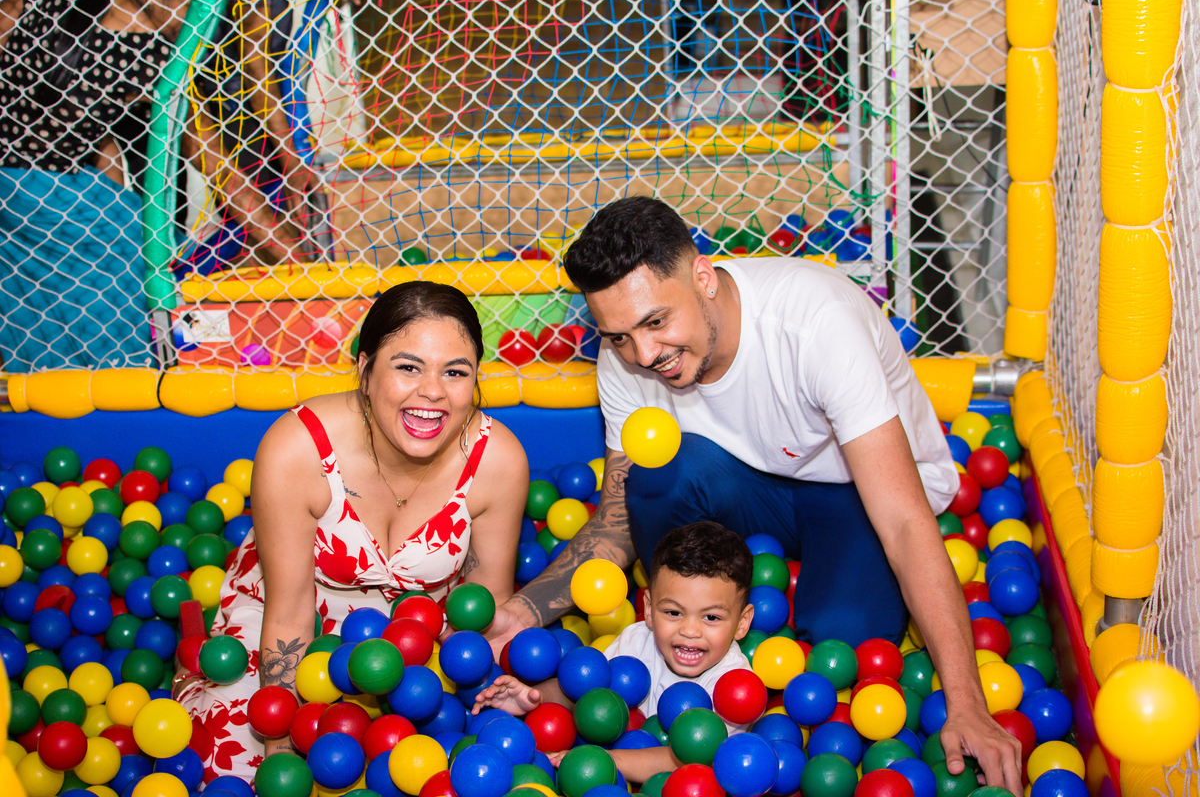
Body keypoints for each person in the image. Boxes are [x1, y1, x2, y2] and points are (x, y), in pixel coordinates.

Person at [487, 197, 1023, 793]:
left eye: (657, 322)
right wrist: (525, 609)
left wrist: (967, 701)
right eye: (618, 336)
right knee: (661, 471)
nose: (643, 354)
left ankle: (752, 627)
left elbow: (901, 519)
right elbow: (617, 518)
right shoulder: (627, 361)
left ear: (704, 278)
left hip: (857, 490)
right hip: (750, 485)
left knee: (839, 653)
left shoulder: (813, 323)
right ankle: (690, 636)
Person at [176, 282, 530, 780]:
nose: (432, 391)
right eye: (408, 366)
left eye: (455, 372)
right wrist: (281, 742)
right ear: (365, 370)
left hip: (414, 638)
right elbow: (289, 615)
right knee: (232, 766)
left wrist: (483, 686)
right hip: (292, 613)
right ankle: (195, 667)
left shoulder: (497, 461)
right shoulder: (296, 449)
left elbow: (481, 608)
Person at [475, 522, 755, 783]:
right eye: (673, 612)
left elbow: (690, 761)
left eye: (711, 618)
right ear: (647, 609)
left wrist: (606, 760)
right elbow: (588, 695)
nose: (690, 631)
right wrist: (534, 698)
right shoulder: (637, 641)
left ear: (742, 623)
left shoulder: (737, 687)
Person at [0, 0, 189, 370]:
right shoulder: (152, 55)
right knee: (148, 260)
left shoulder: (43, 5)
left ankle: (53, 378)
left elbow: (98, 138)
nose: (194, 16)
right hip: (38, 185)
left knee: (33, 288)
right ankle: (146, 366)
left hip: (28, 182)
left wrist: (117, 196)